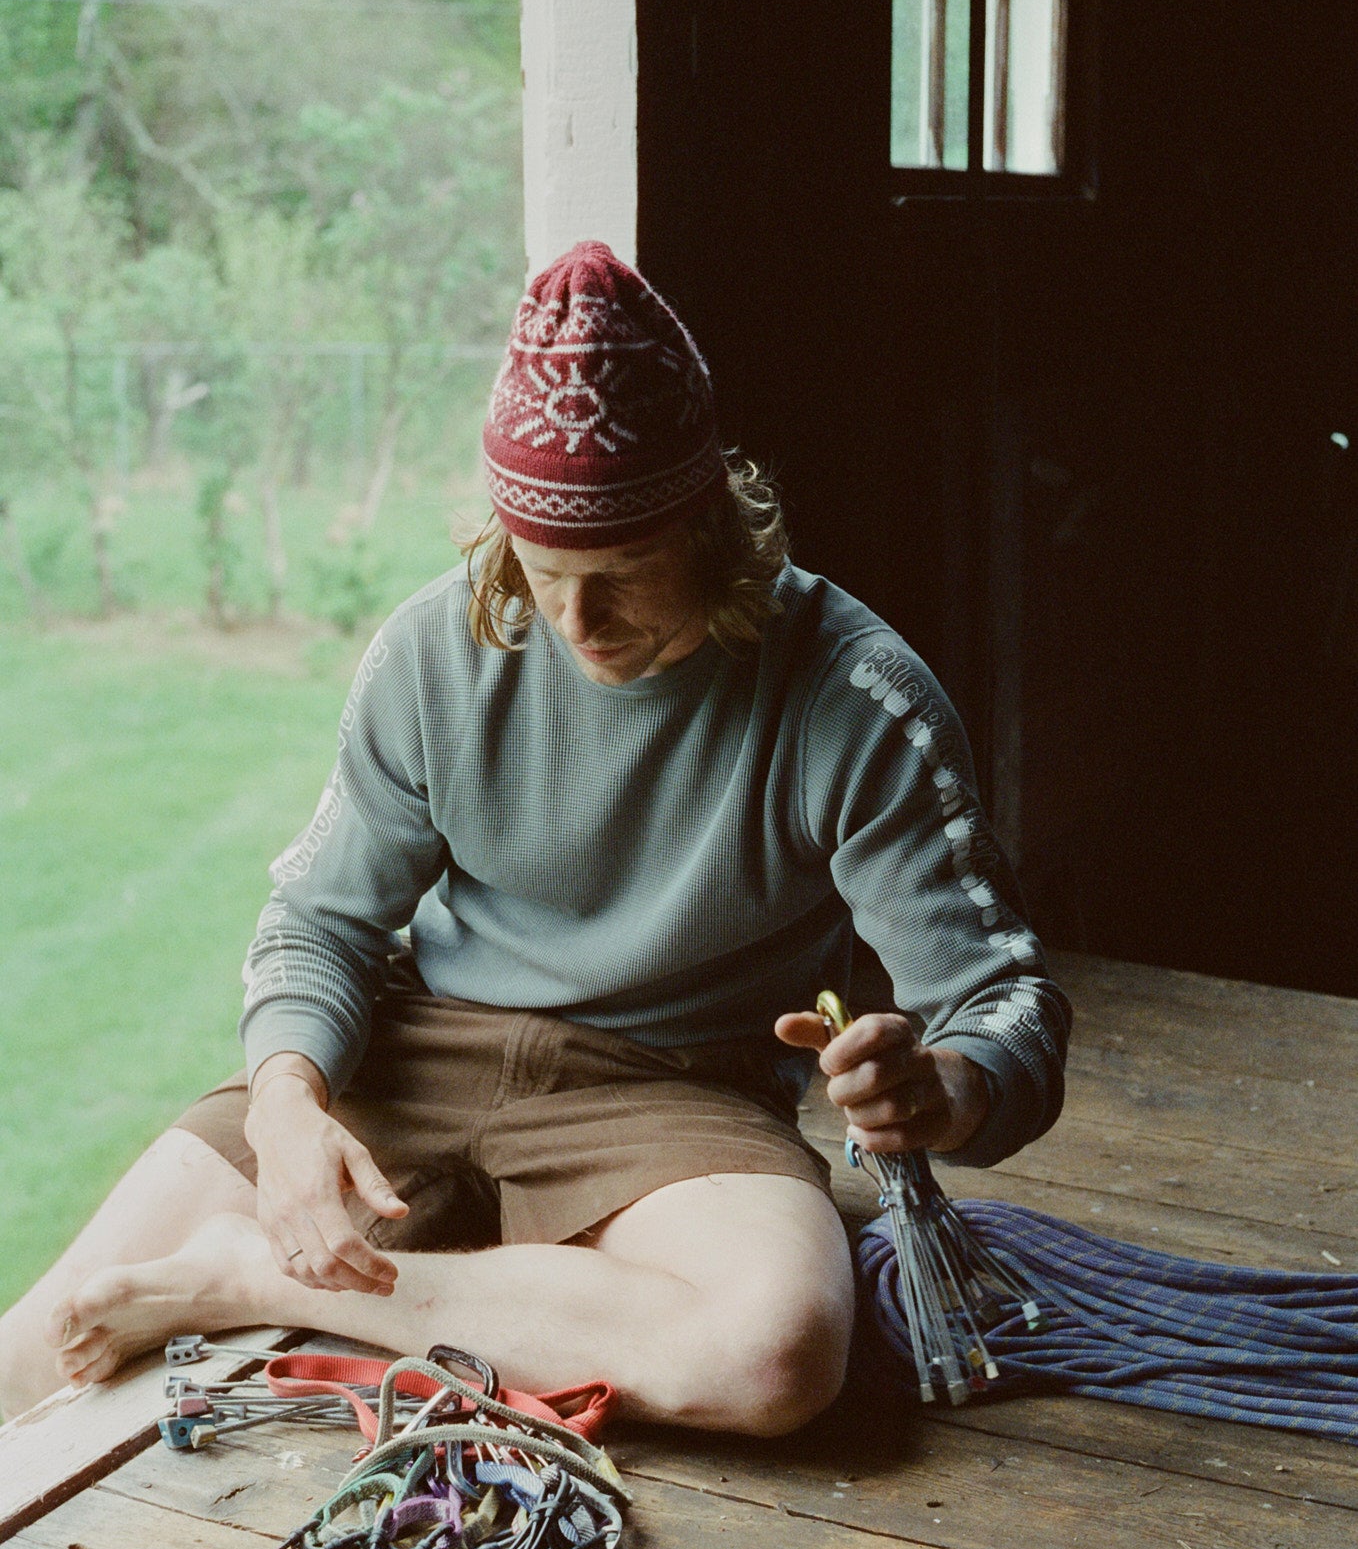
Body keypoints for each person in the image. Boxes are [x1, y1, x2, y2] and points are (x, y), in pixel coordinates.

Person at [0, 243, 1070, 1431]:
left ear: (712, 524)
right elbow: (316, 922)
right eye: (543, 566)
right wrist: (286, 1100)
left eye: (621, 569)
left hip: (663, 1086)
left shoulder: (855, 694)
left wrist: (946, 1089)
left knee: (773, 1348)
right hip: (412, 1050)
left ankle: (260, 1279)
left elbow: (1004, 1002)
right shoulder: (430, 649)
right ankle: (404, 1280)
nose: (576, 618)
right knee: (27, 1354)